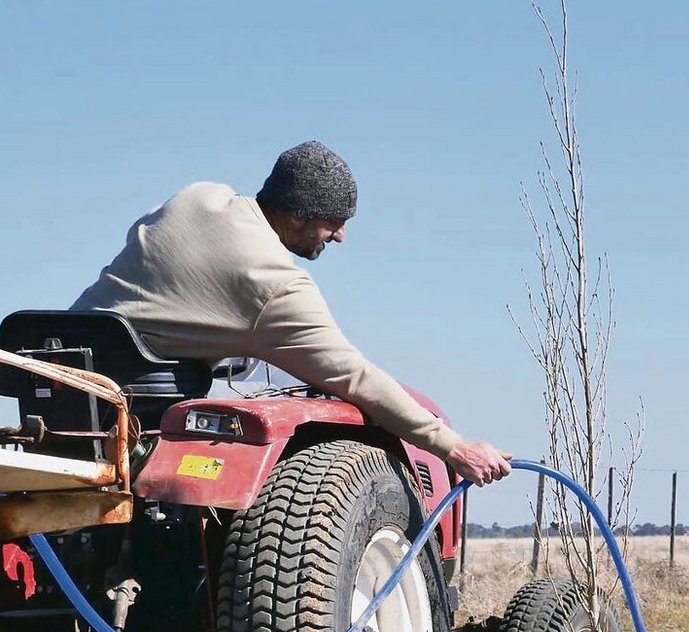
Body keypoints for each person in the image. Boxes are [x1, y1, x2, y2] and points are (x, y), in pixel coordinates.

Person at [71, 141, 511, 486]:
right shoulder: (274, 285)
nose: (339, 236)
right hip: (132, 426)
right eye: (333, 222)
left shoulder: (196, 197)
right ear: (297, 215)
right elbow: (355, 378)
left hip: (58, 394)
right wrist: (452, 447)